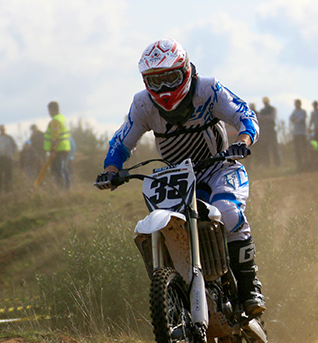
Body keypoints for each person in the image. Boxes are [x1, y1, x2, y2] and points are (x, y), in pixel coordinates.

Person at [94, 38, 265, 316]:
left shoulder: (208, 90)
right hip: (178, 179)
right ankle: (174, 296)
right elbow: (122, 141)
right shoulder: (143, 104)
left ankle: (249, 287)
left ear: (185, 71)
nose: (163, 88)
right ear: (146, 81)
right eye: (155, 80)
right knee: (163, 226)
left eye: (170, 78)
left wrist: (243, 141)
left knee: (228, 212)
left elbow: (245, 115)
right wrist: (111, 170)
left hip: (220, 167)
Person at [44, 101, 72, 188]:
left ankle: (61, 189)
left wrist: (52, 150)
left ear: (52, 110)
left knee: (58, 170)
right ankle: (68, 189)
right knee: (64, 170)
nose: (49, 113)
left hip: (58, 149)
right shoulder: (62, 118)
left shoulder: (55, 120)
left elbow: (55, 136)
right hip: (65, 148)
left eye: (49, 111)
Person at [0, 125, 17, 192]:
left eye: (3, 129)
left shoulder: (9, 138)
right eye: (0, 129)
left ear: (5, 129)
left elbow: (15, 147)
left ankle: (8, 190)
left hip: (8, 158)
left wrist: (10, 154)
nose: (2, 130)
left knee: (8, 175)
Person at [255, 97, 280, 167]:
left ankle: (277, 163)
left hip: (271, 130)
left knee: (274, 147)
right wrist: (266, 118)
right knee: (265, 148)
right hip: (264, 131)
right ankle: (266, 164)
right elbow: (259, 118)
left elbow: (272, 117)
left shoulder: (272, 109)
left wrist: (264, 118)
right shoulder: (262, 110)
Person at [289, 99, 310, 171]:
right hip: (296, 133)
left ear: (300, 104)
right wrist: (295, 119)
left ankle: (306, 164)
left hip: (302, 133)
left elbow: (301, 119)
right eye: (295, 104)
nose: (296, 105)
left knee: (304, 149)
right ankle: (299, 165)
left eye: (298, 103)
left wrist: (295, 119)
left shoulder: (303, 112)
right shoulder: (294, 112)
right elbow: (290, 118)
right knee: (297, 150)